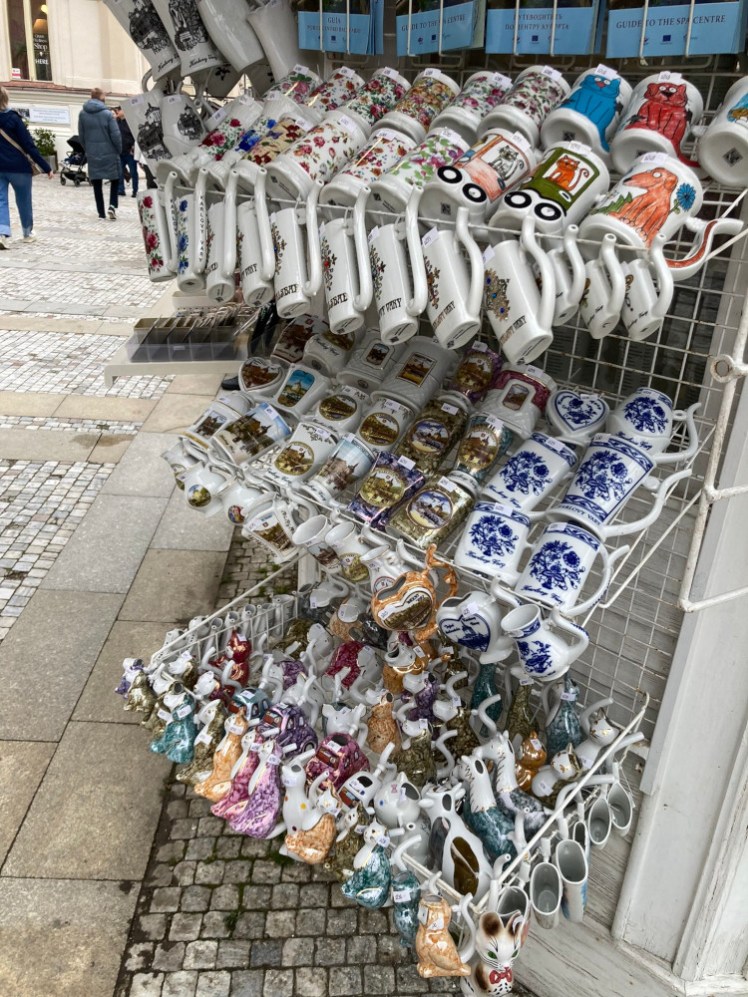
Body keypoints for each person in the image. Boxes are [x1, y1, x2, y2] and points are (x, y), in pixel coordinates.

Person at [0, 85, 53, 249]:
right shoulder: (14, 119)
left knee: (0, 200)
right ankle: (27, 232)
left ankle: (2, 233)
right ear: (6, 99)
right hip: (19, 167)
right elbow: (28, 145)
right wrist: (46, 167)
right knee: (24, 200)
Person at [78, 87, 122, 220]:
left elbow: (81, 135)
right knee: (115, 179)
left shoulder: (82, 114)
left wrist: (88, 149)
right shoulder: (108, 114)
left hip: (92, 153)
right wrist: (118, 149)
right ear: (102, 98)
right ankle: (112, 206)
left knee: (96, 183)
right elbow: (116, 135)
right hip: (109, 152)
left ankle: (101, 212)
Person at [114, 106, 138, 198]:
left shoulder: (130, 122)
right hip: (120, 152)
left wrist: (133, 147)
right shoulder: (116, 122)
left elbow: (135, 135)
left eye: (119, 110)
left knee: (133, 172)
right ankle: (121, 190)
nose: (117, 112)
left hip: (130, 152)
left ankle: (135, 190)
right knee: (120, 172)